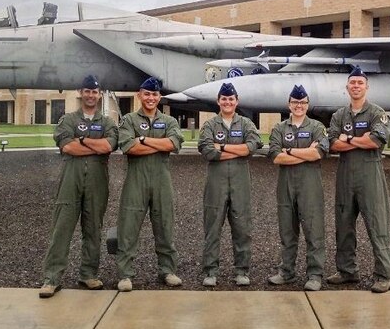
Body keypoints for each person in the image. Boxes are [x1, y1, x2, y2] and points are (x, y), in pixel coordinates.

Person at [39, 75, 118, 298]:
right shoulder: (68, 120)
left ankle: (88, 274)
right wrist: (93, 145)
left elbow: (108, 146)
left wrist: (81, 140)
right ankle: (52, 278)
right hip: (70, 181)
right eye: (87, 91)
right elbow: (67, 147)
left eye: (94, 92)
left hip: (97, 182)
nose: (91, 95)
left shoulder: (108, 123)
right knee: (62, 228)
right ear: (80, 93)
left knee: (93, 229)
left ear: (99, 94)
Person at [327, 67, 390, 293]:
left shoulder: (377, 113)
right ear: (347, 88)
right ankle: (347, 270)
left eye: (360, 83)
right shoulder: (339, 115)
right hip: (345, 173)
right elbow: (333, 145)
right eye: (352, 83)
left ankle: (383, 275)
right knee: (343, 224)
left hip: (370, 173)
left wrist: (347, 138)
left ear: (366, 87)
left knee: (377, 224)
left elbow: (376, 141)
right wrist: (358, 139)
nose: (356, 86)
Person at [115, 77, 184, 292]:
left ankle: (168, 270)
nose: (151, 98)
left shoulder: (170, 121)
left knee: (165, 225)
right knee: (128, 227)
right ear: (139, 95)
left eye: (154, 94)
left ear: (159, 97)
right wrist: (158, 145)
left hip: (161, 179)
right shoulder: (129, 120)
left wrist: (143, 140)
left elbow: (173, 144)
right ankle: (125, 274)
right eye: (147, 94)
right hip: (136, 179)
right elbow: (128, 147)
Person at [197, 82, 262, 287]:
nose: (227, 102)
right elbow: (208, 151)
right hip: (215, 183)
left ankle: (242, 270)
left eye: (231, 99)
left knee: (242, 227)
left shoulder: (246, 124)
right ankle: (210, 271)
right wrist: (237, 149)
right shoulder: (209, 125)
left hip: (240, 182)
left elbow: (252, 147)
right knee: (213, 226)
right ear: (218, 101)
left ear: (236, 101)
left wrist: (222, 147)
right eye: (224, 99)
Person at [266, 84, 329, 291]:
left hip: (310, 185)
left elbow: (318, 153)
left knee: (313, 230)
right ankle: (287, 271)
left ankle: (315, 274)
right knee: (287, 230)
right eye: (295, 102)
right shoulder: (279, 128)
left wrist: (289, 151)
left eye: (302, 102)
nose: (298, 106)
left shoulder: (317, 128)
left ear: (307, 104)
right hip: (285, 185)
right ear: (289, 104)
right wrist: (303, 153)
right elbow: (276, 157)